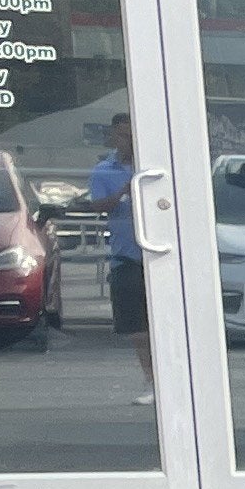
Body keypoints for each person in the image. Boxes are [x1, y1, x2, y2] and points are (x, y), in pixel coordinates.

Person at [83, 113, 149, 393]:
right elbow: (98, 206)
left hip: (159, 256)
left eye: (132, 135)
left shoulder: (154, 166)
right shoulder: (104, 171)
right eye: (123, 136)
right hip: (127, 257)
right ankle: (151, 381)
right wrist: (125, 189)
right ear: (114, 136)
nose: (128, 142)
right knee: (137, 326)